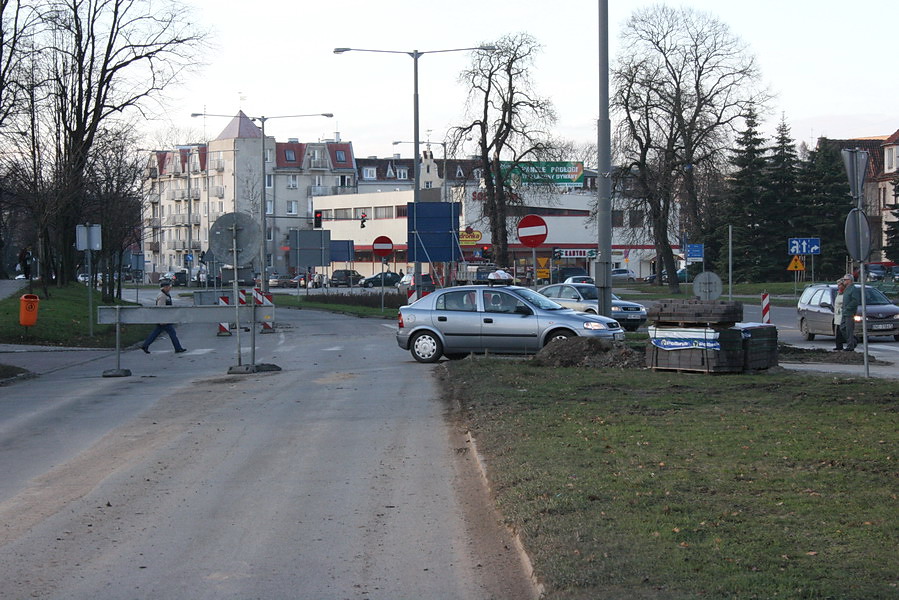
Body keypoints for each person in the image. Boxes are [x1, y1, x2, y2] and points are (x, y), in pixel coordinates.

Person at [141, 280, 187, 354]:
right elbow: (161, 308)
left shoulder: (165, 294)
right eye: (169, 286)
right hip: (164, 319)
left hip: (165, 318)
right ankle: (178, 348)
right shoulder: (162, 296)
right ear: (165, 287)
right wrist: (162, 320)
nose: (170, 288)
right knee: (172, 333)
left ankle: (145, 345)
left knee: (156, 333)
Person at [839, 274, 860, 352]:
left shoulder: (853, 289)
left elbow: (855, 301)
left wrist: (848, 307)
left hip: (850, 313)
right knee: (842, 328)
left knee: (849, 330)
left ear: (849, 280)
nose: (844, 281)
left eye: (845, 279)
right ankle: (853, 341)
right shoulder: (847, 289)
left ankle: (850, 346)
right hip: (845, 312)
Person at [832, 277, 846, 351]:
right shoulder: (838, 293)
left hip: (842, 315)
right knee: (838, 332)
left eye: (840, 285)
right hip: (837, 316)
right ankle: (839, 346)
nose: (839, 286)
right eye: (838, 285)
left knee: (842, 331)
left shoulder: (846, 294)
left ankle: (853, 341)